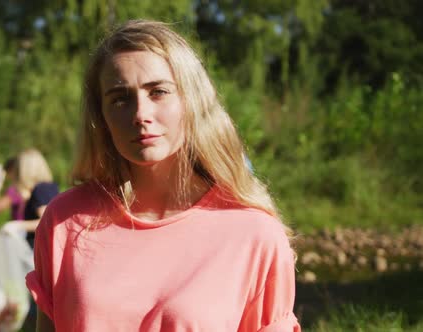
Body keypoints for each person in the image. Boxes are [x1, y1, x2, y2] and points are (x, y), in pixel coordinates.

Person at [26, 20, 300, 332]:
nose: (140, 114)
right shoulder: (66, 220)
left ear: (192, 101)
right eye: (120, 98)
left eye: (158, 92)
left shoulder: (253, 234)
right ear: (100, 117)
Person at [0, 148, 58, 331]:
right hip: (35, 251)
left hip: (35, 252)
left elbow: (45, 221)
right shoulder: (47, 187)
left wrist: (16, 225)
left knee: (31, 301)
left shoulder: (41, 189)